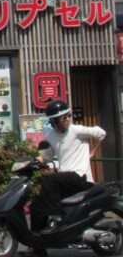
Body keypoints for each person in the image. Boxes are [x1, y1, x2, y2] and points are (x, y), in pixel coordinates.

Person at [31, 100, 106, 237]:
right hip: (65, 180)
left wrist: (92, 151)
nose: (67, 120)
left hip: (81, 177)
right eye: (63, 117)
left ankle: (57, 217)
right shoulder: (51, 136)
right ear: (53, 121)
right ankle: (37, 244)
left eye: (68, 116)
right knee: (36, 204)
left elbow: (101, 133)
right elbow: (47, 156)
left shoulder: (76, 130)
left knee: (51, 180)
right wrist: (33, 162)